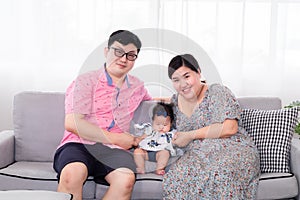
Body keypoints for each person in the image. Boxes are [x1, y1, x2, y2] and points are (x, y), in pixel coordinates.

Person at [53, 30, 152, 200]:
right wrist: (116, 138)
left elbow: (156, 104)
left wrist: (190, 94)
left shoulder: (137, 86)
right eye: (118, 52)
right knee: (72, 173)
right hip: (79, 144)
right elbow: (73, 123)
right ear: (107, 51)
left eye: (130, 55)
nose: (123, 59)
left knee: (126, 179)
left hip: (114, 151)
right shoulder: (85, 81)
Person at [162, 54, 260, 199]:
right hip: (197, 155)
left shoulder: (216, 92)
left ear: (198, 72)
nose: (183, 84)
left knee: (220, 174)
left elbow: (229, 128)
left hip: (232, 149)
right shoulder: (175, 101)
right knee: (176, 177)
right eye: (176, 80)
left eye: (187, 76)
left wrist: (189, 135)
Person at [133, 102, 175, 175]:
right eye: (158, 124)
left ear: (171, 123)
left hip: (159, 153)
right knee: (137, 151)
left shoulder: (170, 134)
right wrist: (138, 139)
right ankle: (141, 168)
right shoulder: (150, 129)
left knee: (165, 153)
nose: (161, 127)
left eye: (165, 125)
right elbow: (143, 136)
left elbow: (177, 141)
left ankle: (159, 169)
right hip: (146, 152)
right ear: (152, 122)